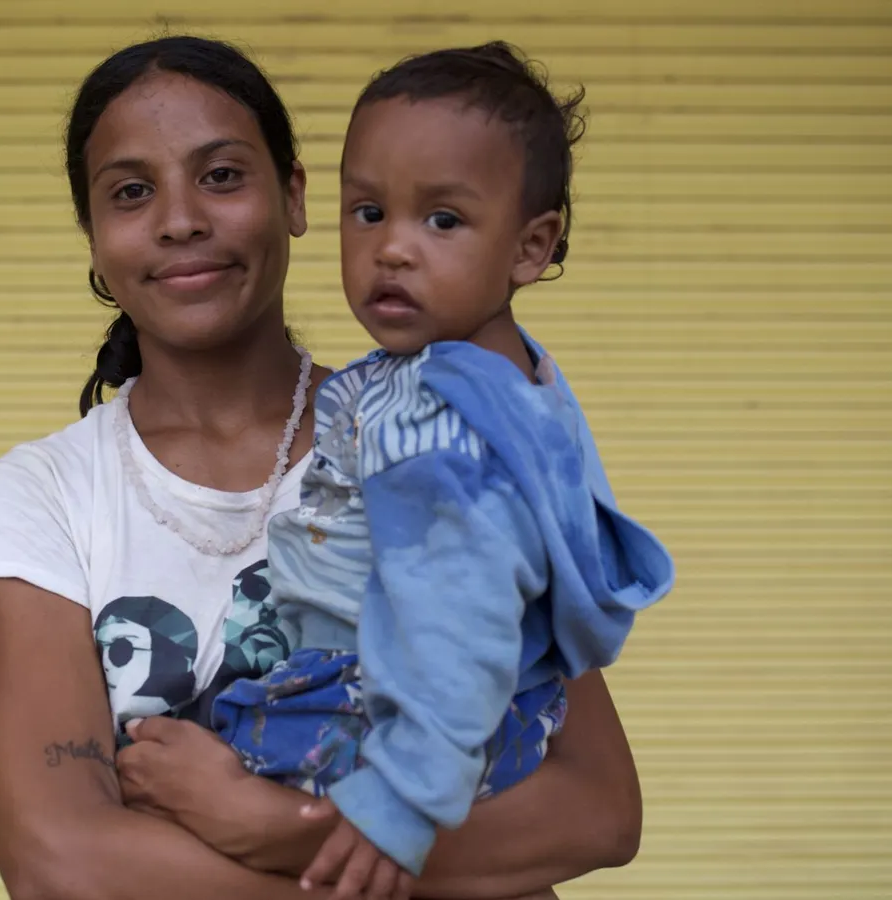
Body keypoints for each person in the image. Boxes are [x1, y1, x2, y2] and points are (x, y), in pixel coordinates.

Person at [0, 35, 644, 900]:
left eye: (221, 176)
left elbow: (597, 809)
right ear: (93, 237)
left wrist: (273, 829)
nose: (179, 219)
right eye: (131, 192)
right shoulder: (41, 497)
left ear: (297, 196)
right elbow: (62, 866)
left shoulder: (431, 432)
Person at [208, 43, 676, 900]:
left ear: (531, 248)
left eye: (444, 221)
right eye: (369, 212)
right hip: (472, 711)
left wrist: (403, 796)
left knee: (177, 785)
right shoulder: (501, 379)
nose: (392, 249)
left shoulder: (438, 423)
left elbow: (460, 614)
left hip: (393, 711)